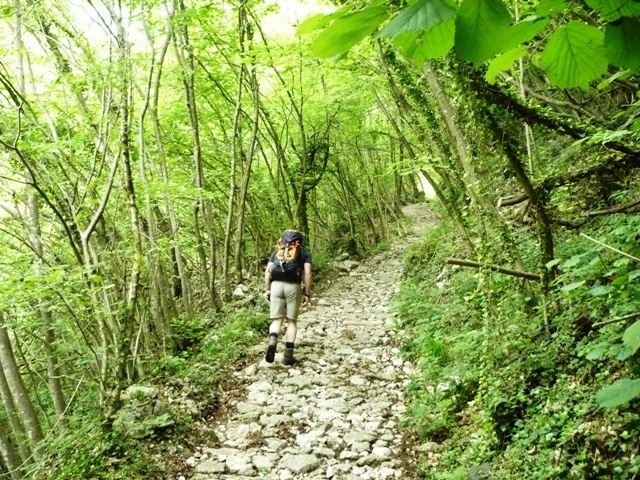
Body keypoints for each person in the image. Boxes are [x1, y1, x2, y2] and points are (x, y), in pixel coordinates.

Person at [263, 230, 312, 365]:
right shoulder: (303, 252)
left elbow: (267, 273)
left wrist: (268, 290)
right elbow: (307, 274)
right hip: (293, 287)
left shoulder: (277, 252)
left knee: (276, 321)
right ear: (299, 240)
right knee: (291, 321)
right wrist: (307, 293)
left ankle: (273, 340)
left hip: (276, 286)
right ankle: (288, 356)